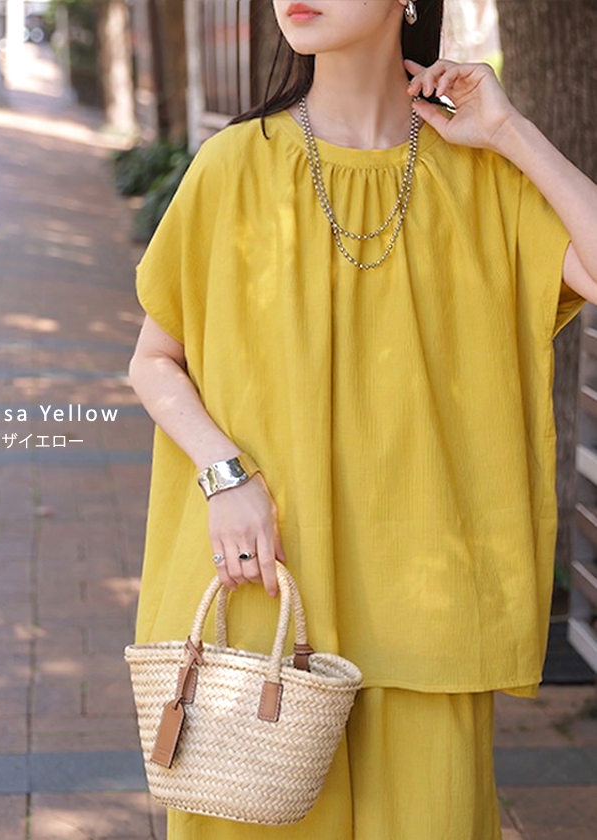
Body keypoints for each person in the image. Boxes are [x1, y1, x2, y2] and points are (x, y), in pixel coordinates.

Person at [127, 1, 597, 838]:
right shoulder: (234, 166)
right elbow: (153, 360)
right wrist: (226, 476)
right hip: (266, 601)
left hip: (431, 613)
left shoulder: (482, 173)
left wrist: (510, 131)